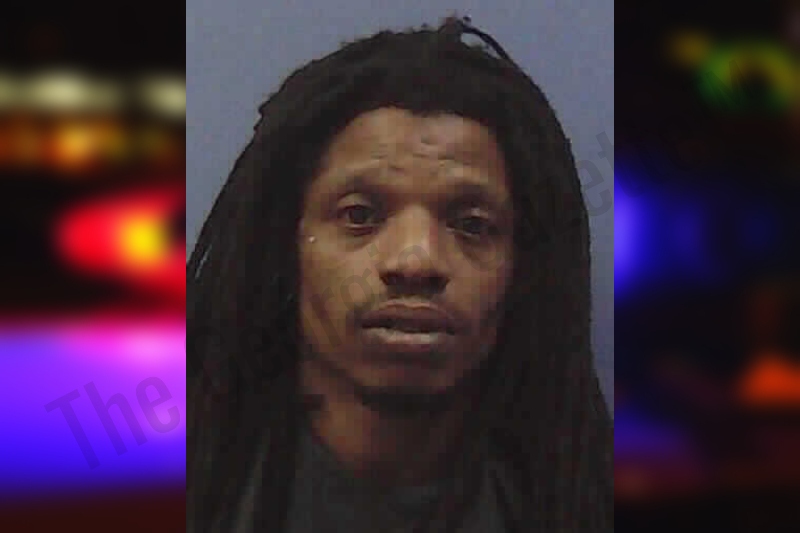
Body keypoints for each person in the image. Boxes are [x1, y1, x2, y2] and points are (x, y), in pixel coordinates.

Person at [187, 17, 612, 533]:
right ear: (284, 246)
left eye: (472, 225)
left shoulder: (580, 504)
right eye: (359, 215)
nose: (415, 261)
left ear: (524, 271)